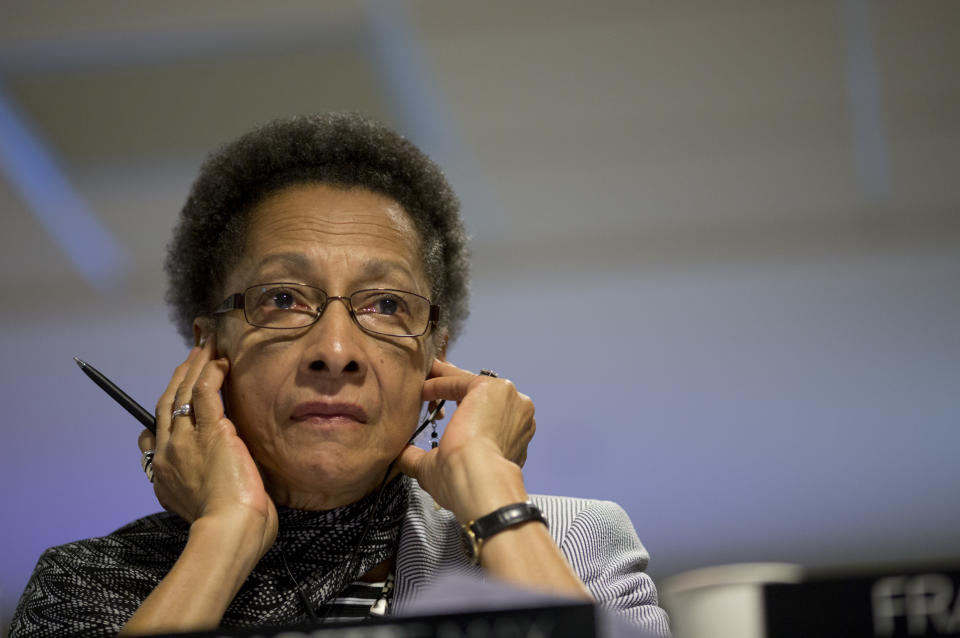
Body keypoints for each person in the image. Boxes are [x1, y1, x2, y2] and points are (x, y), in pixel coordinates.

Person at [9, 113, 670, 637]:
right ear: (210, 350)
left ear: (433, 356)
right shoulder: (88, 582)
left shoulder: (573, 545)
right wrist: (226, 535)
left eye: (385, 306)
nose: (335, 348)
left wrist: (497, 502)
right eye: (282, 299)